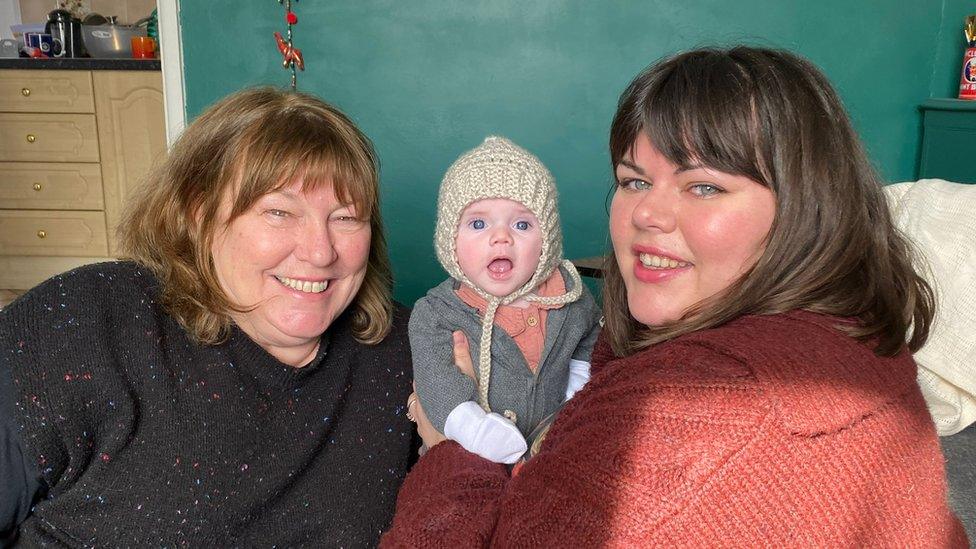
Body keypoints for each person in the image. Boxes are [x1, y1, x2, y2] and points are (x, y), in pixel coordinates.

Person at [382, 46, 969, 546]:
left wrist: (447, 453)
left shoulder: (690, 419)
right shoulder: (854, 337)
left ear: (807, 209)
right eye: (634, 180)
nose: (646, 214)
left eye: (704, 186)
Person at [0, 87, 414, 546]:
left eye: (345, 218)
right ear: (198, 215)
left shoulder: (411, 352)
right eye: (278, 212)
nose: (320, 252)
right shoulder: (86, 323)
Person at [408, 136, 601, 464]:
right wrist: (471, 426)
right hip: (462, 462)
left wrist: (578, 386)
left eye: (522, 224)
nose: (501, 237)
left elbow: (590, 335)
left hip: (550, 457)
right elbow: (434, 378)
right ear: (450, 240)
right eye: (478, 223)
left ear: (547, 241)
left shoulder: (568, 298)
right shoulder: (436, 314)